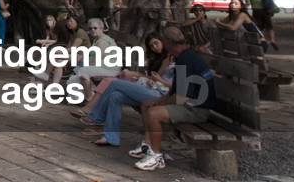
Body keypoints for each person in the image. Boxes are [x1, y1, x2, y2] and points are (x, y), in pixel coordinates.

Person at [133, 26, 217, 171]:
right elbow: (175, 90)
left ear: (168, 43)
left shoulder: (186, 59)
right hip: (189, 104)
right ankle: (148, 147)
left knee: (153, 114)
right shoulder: (183, 56)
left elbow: (181, 97)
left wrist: (159, 103)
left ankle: (156, 157)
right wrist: (158, 101)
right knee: (147, 105)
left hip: (197, 109)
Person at [68, 18, 120, 100]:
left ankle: (89, 99)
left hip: (110, 69)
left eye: (95, 28)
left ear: (101, 29)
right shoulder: (97, 40)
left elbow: (96, 61)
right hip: (102, 67)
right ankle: (87, 95)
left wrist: (82, 62)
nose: (92, 30)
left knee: (83, 71)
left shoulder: (103, 41)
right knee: (78, 71)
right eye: (90, 28)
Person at [46, 16, 89, 84]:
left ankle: (46, 74)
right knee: (58, 62)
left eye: (71, 21)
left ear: (77, 22)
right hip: (75, 55)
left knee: (57, 56)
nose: (69, 23)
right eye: (68, 21)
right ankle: (55, 85)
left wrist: (60, 52)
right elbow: (68, 47)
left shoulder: (80, 32)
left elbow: (73, 48)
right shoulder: (72, 33)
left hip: (83, 56)